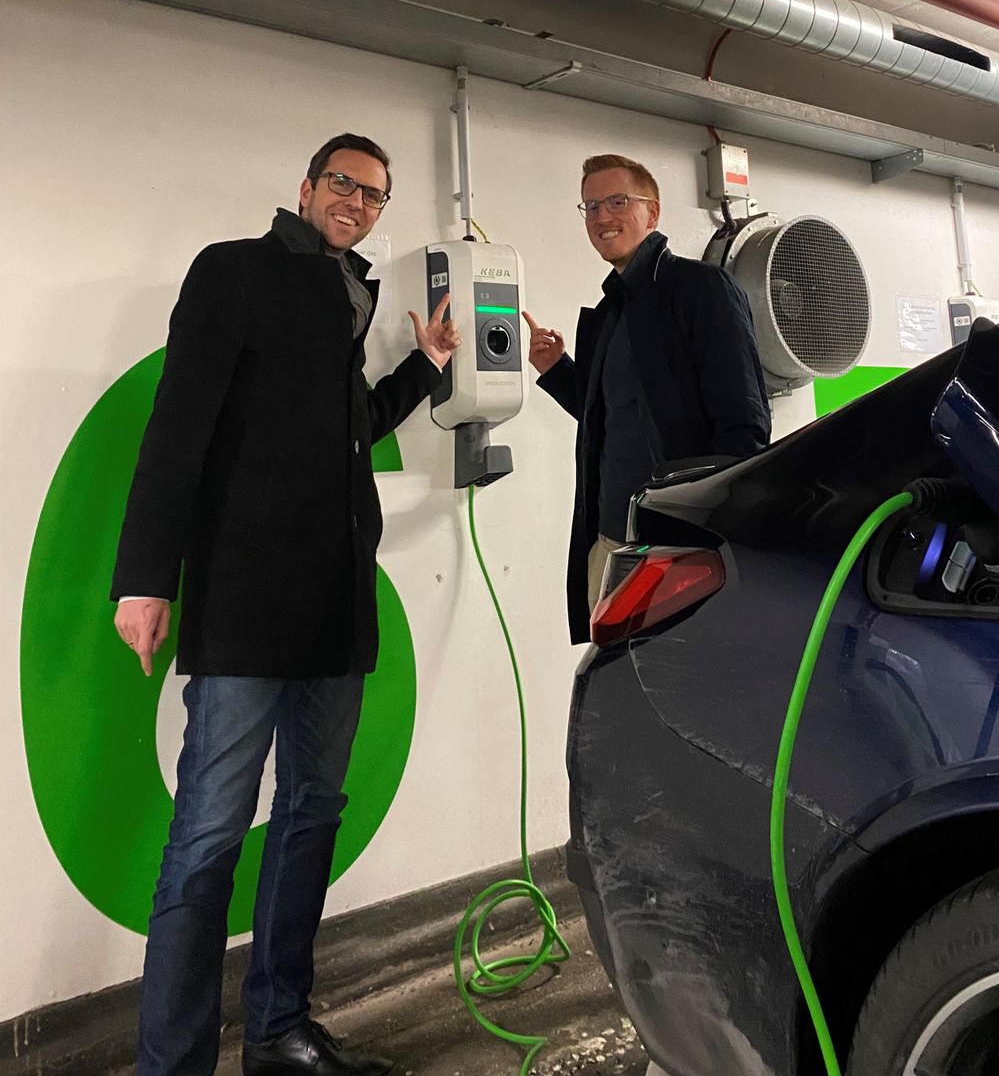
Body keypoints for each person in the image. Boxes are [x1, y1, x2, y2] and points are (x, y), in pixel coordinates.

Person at [111, 133, 460, 1076]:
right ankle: (172, 1061)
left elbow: (349, 432)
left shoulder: (346, 299)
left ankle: (277, 1031)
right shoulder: (234, 273)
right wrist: (144, 575)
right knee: (208, 837)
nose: (358, 201)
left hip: (336, 607)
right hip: (247, 604)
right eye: (344, 184)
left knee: (311, 814)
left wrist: (425, 366)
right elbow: (178, 425)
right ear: (306, 189)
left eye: (375, 195)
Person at [523, 152, 770, 642]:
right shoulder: (611, 312)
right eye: (590, 207)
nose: (601, 217)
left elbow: (743, 424)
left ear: (652, 213)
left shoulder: (702, 290)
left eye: (617, 202)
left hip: (678, 551)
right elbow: (611, 421)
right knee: (616, 696)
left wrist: (720, 543)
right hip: (613, 541)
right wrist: (557, 371)